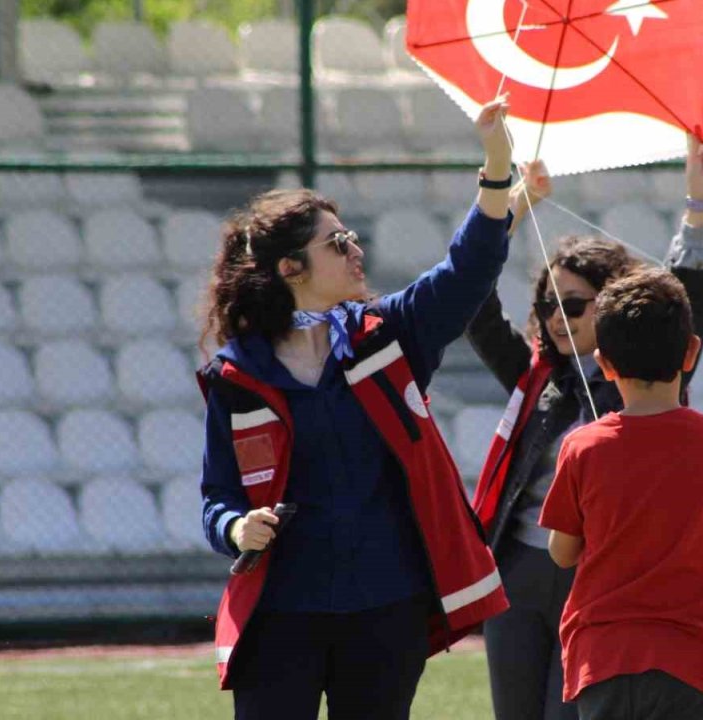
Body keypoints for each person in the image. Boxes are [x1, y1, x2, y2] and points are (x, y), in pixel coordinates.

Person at [195, 97, 515, 720]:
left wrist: (497, 166)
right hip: (281, 611)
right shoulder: (237, 376)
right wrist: (236, 527)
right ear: (291, 268)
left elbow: (467, 271)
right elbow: (217, 498)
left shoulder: (388, 335)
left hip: (385, 609)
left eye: (351, 238)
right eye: (336, 243)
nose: (354, 250)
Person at [466, 134, 703, 720]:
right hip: (519, 571)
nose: (558, 316)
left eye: (575, 305)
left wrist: (699, 207)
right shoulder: (535, 377)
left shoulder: (645, 378)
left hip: (596, 578)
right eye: (550, 303)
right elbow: (474, 305)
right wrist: (514, 209)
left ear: (610, 309)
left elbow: (690, 305)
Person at [541, 267, 703, 720]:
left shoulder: (582, 446)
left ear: (604, 362)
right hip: (693, 659)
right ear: (691, 351)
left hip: (605, 658)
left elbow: (561, 553)